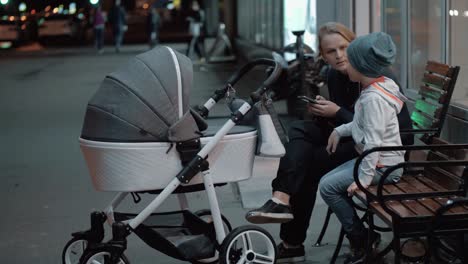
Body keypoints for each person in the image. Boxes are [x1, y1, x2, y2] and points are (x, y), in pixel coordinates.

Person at [245, 22, 413, 263]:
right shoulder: (335, 75)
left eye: (343, 48)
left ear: (354, 48)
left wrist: (337, 113)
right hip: (353, 137)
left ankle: (294, 241)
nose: (339, 56)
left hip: (382, 149)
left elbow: (376, 129)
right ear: (323, 55)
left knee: (309, 163)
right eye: (331, 52)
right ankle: (280, 197)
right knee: (300, 131)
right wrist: (323, 114)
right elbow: (351, 123)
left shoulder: (375, 76)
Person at [319, 32, 405, 264]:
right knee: (326, 182)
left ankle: (361, 239)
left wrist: (363, 180)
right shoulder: (375, 89)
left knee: (327, 187)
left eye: (351, 60)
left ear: (362, 68)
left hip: (383, 166)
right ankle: (362, 236)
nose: (345, 63)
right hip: (377, 162)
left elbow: (374, 143)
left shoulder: (373, 99)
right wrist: (339, 130)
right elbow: (360, 124)